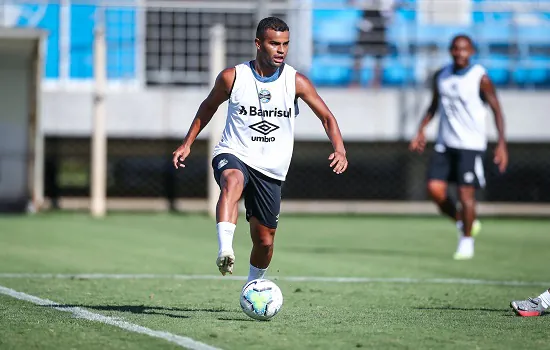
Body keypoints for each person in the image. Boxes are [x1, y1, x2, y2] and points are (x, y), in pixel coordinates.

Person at [172, 17, 348, 283]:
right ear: (258, 43)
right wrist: (187, 143)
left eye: (285, 44)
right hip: (234, 152)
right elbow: (208, 107)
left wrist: (340, 149)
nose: (281, 50)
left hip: (271, 168)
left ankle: (254, 284)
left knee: (265, 241)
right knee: (233, 180)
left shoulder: (296, 81)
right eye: (274, 43)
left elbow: (327, 117)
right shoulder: (233, 77)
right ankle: (225, 249)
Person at [409, 34, 508, 260]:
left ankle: (466, 241)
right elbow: (434, 105)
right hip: (445, 143)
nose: (459, 53)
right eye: (455, 49)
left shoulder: (480, 78)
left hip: (470, 146)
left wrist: (501, 144)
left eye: (464, 49)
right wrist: (421, 129)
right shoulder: (441, 76)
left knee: (466, 194)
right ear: (450, 51)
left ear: (471, 51)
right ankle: (464, 222)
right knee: (434, 190)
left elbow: (497, 110)